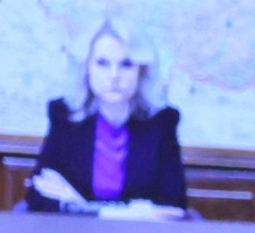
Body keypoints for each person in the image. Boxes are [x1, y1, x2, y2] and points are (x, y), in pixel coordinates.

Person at [24, 20, 192, 217]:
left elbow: (174, 204)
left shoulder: (162, 122)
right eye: (102, 63)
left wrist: (84, 208)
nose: (114, 76)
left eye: (126, 64)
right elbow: (38, 196)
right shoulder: (65, 116)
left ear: (142, 71)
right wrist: (129, 212)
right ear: (86, 69)